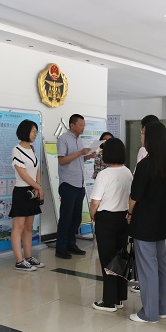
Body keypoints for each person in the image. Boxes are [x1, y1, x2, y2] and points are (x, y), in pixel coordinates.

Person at [127, 121, 166, 323]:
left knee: (147, 267)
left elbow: (135, 196)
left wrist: (129, 212)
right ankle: (161, 308)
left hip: (144, 222)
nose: (141, 136)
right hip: (160, 221)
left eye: (143, 133)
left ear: (151, 138)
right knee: (160, 265)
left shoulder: (145, 164)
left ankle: (149, 313)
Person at [89, 138, 132, 312]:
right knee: (120, 258)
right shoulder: (127, 172)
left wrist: (93, 215)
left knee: (107, 260)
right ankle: (119, 297)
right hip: (123, 218)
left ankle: (109, 301)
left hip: (106, 219)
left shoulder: (104, 174)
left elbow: (95, 202)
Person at [56, 114, 95, 259]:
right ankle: (60, 248)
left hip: (79, 183)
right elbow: (62, 160)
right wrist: (80, 153)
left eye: (84, 125)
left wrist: (87, 156)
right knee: (66, 217)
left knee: (76, 217)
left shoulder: (80, 140)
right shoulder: (63, 139)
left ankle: (71, 244)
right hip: (68, 183)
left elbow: (78, 159)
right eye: (81, 125)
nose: (83, 127)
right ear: (72, 125)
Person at [8, 120, 44, 271]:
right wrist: (39, 187)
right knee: (18, 227)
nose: (35, 134)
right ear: (25, 132)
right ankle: (19, 261)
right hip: (22, 192)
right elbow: (22, 174)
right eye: (33, 131)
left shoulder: (32, 149)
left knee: (29, 226)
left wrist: (37, 186)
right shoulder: (16, 150)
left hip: (32, 190)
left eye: (36, 131)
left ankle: (29, 257)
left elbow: (36, 169)